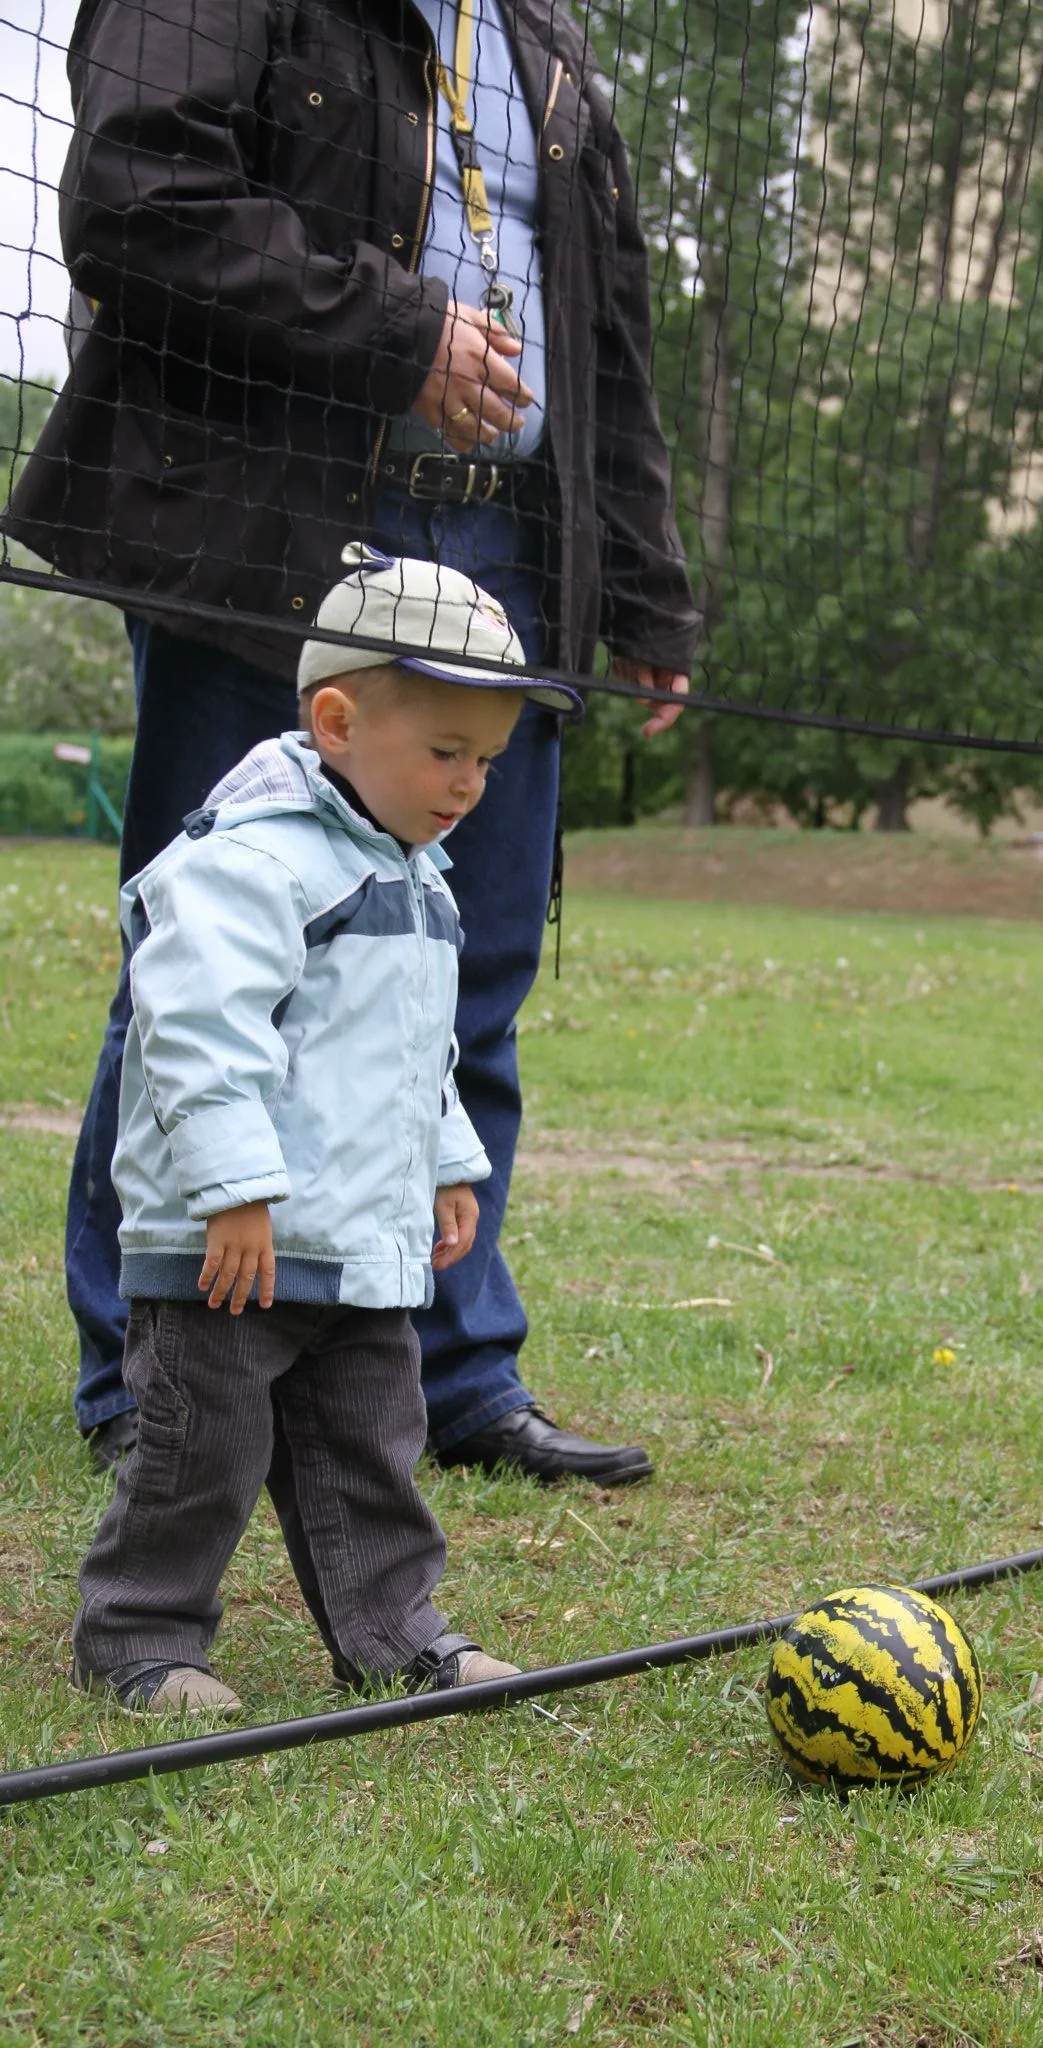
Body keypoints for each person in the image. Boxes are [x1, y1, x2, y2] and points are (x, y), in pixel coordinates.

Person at [2, 0, 700, 1480]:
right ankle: (157, 1383)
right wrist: (400, 335)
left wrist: (640, 575)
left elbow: (605, 327)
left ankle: (445, 1380)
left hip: (503, 546)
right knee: (212, 953)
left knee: (465, 974)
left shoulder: (545, 41)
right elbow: (136, 194)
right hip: (277, 533)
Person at [73, 549, 572, 1715]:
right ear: (337, 720)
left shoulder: (416, 873)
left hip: (356, 1239)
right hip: (228, 1246)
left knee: (370, 1449)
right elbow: (196, 1032)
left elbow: (414, 1046)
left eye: (487, 760)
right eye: (445, 751)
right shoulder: (247, 861)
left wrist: (448, 1163)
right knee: (198, 1451)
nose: (469, 784)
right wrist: (233, 1188)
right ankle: (139, 1634)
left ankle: (396, 1633)